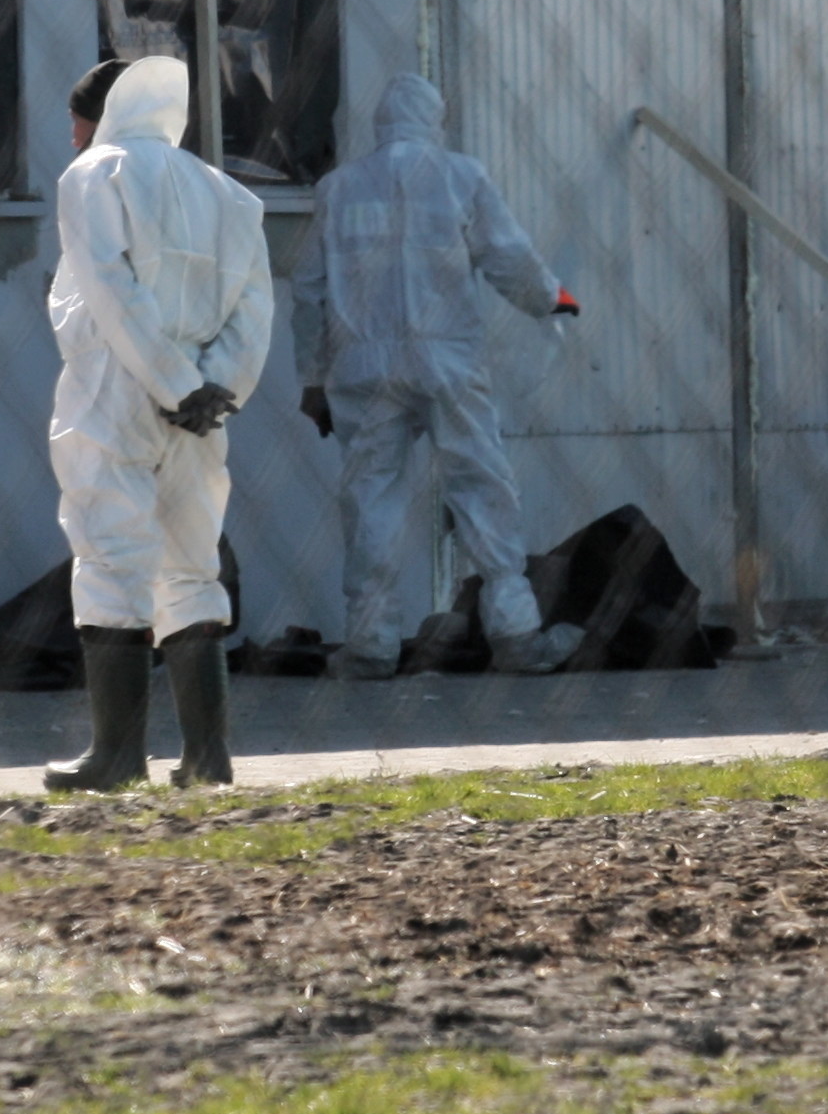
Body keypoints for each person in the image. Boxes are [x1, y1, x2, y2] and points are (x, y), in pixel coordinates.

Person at [43, 49, 273, 792]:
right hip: (202, 412)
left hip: (116, 394)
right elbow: (254, 310)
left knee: (110, 557)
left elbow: (111, 291)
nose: (74, 139)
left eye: (78, 125)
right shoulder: (229, 195)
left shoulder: (94, 175)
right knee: (192, 564)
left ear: (98, 117)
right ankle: (208, 756)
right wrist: (214, 390)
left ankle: (116, 757)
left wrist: (168, 381)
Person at [298, 72, 576, 675]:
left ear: (379, 123)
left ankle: (370, 643)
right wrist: (554, 299)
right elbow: (509, 255)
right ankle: (516, 632)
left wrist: (312, 380)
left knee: (371, 498)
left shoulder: (338, 188)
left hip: (363, 364)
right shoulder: (460, 176)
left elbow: (309, 293)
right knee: (481, 485)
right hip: (446, 358)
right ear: (435, 119)